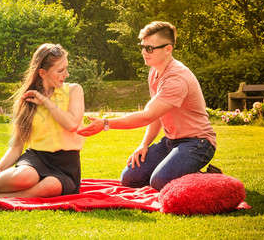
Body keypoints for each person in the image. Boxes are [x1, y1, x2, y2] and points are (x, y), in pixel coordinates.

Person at [77, 21, 220, 191]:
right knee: (130, 178)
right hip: (171, 141)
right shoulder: (154, 71)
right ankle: (180, 171)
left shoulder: (177, 78)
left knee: (159, 181)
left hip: (197, 143)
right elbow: (157, 115)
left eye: (149, 48)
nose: (144, 52)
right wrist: (143, 144)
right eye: (142, 47)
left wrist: (106, 123)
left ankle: (211, 178)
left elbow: (147, 115)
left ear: (168, 49)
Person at [0, 43, 85, 202]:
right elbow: (16, 148)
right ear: (42, 73)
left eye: (66, 68)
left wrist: (45, 101)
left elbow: (72, 124)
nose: (66, 74)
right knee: (24, 177)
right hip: (36, 158)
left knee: (51, 186)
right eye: (60, 70)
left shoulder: (74, 90)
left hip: (66, 164)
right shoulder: (27, 101)